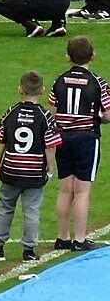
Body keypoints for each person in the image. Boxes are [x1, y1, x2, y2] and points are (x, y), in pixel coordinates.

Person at [0, 71, 61, 263]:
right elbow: (50, 146)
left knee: (4, 206)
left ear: (20, 89)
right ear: (42, 90)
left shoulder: (11, 111)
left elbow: (1, 140)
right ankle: (28, 250)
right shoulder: (44, 115)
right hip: (34, 172)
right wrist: (50, 168)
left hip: (11, 169)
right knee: (31, 210)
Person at [48, 36, 110, 252]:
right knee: (82, 191)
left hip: (63, 136)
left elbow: (54, 111)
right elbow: (108, 114)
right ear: (92, 56)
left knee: (65, 190)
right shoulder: (97, 82)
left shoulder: (59, 80)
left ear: (68, 57)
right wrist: (99, 117)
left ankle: (62, 237)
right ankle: (80, 239)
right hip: (86, 137)